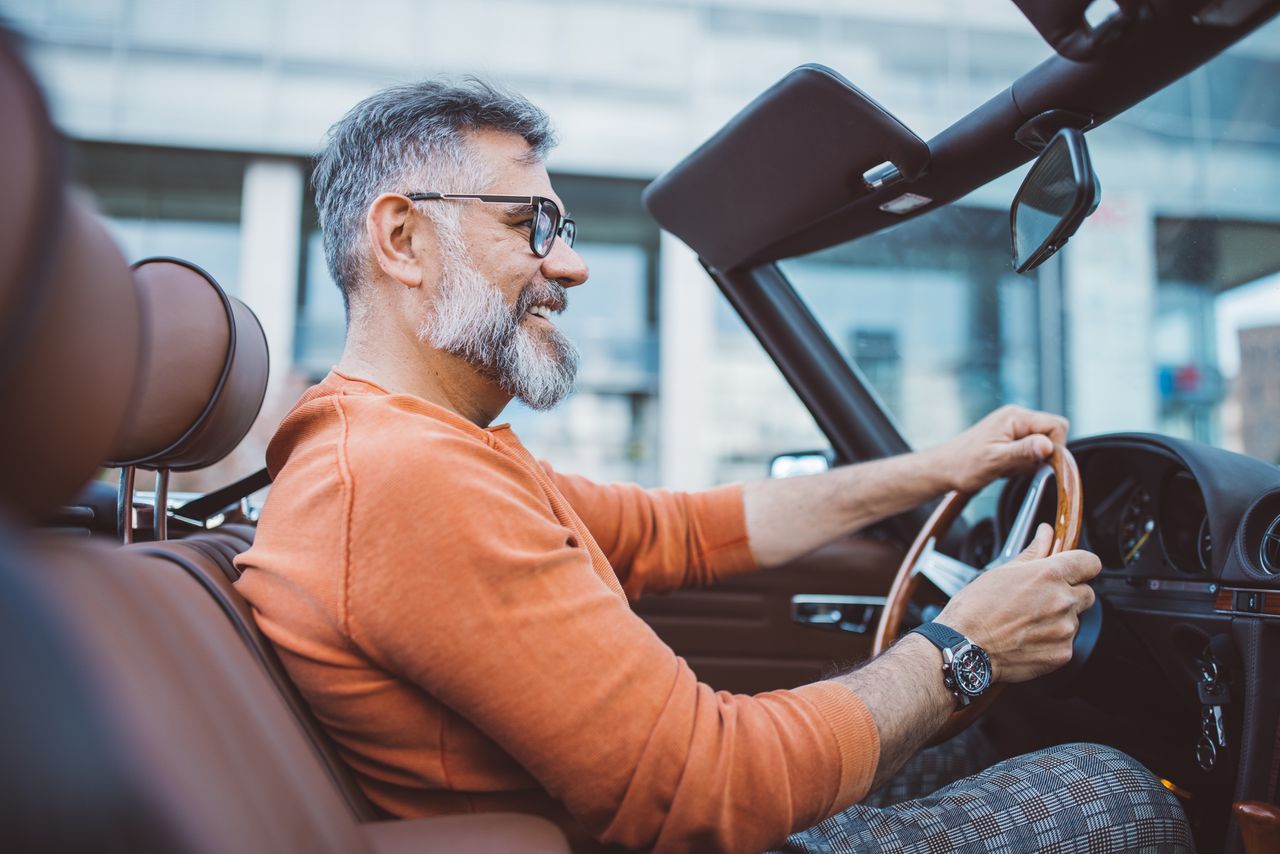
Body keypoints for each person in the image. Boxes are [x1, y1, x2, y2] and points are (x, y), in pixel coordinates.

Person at [233, 79, 1192, 853]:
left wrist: (937, 468)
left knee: (989, 737)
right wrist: (962, 648)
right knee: (1113, 792)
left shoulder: (434, 448)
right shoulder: (403, 476)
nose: (571, 268)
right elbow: (708, 787)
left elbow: (682, 532)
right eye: (532, 225)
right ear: (402, 240)